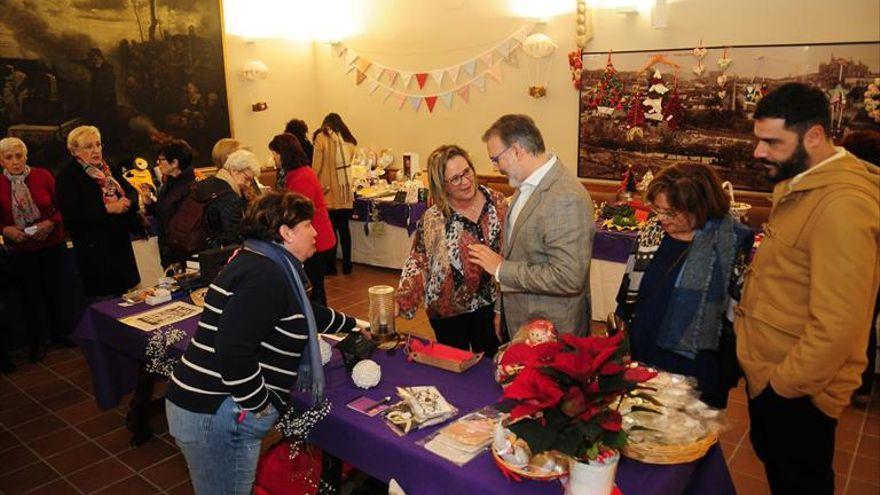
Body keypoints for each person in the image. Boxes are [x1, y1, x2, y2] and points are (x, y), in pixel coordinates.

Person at [166, 190, 364, 495]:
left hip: (211, 408)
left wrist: (353, 325)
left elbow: (299, 310)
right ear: (285, 233)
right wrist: (259, 406)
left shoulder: (265, 261)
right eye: (308, 225)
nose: (316, 231)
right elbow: (232, 349)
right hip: (215, 413)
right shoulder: (267, 274)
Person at [737, 83, 880, 494]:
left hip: (797, 392)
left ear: (814, 136)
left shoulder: (842, 205)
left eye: (771, 142)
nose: (758, 152)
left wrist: (780, 389)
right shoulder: (804, 184)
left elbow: (839, 326)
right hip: (777, 377)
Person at [615, 162, 754, 408]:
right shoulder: (652, 232)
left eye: (671, 212)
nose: (661, 218)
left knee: (688, 439)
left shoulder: (728, 243)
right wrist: (622, 343)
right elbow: (628, 293)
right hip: (644, 355)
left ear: (700, 208)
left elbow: (737, 319)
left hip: (698, 369)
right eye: (657, 209)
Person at [469, 114, 595, 338]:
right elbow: (515, 253)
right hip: (520, 320)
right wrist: (501, 310)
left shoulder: (565, 196)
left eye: (496, 159)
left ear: (517, 151)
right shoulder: (525, 186)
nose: (495, 167)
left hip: (552, 332)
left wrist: (500, 269)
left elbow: (568, 277)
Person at [396, 145, 508, 357]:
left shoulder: (498, 204)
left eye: (467, 172)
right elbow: (419, 262)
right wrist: (401, 301)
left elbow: (513, 253)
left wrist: (505, 305)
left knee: (494, 365)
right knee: (457, 371)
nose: (465, 182)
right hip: (448, 314)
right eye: (455, 179)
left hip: (492, 306)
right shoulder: (433, 219)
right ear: (442, 185)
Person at [0, 137, 71, 361]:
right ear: (1, 160)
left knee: (56, 292)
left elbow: (63, 206)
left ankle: (60, 334)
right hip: (21, 250)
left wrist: (50, 223)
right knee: (30, 297)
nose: (15, 162)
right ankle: (37, 342)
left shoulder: (43, 176)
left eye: (19, 156)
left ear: (26, 156)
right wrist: (5, 230)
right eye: (9, 157)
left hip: (51, 244)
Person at [56, 125, 140, 299]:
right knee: (107, 305)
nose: (96, 150)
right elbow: (72, 217)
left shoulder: (108, 168)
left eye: (98, 144)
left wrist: (127, 201)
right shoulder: (68, 176)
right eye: (89, 146)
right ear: (74, 151)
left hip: (119, 246)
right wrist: (108, 208)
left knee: (128, 304)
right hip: (95, 252)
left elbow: (131, 191)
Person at [271, 133, 335, 306]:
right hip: (313, 236)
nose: (273, 158)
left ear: (283, 154)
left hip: (316, 238)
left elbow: (297, 212)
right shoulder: (296, 173)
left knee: (315, 288)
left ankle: (320, 325)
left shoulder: (301, 176)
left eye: (275, 154)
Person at [840, 129, 880, 409]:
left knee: (854, 324)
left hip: (860, 266)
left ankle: (851, 386)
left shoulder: (853, 185)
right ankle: (863, 388)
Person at [312, 112, 357, 275]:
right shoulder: (349, 141)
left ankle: (330, 266)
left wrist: (314, 185)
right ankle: (347, 265)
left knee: (330, 231)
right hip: (345, 193)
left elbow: (316, 167)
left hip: (327, 192)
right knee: (344, 229)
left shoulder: (321, 138)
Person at [142, 139, 196, 268]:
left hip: (182, 254)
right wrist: (149, 203)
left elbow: (181, 223)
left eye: (161, 159)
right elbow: (162, 213)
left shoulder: (190, 187)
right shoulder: (169, 183)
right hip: (169, 251)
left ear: (175, 163)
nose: (158, 163)